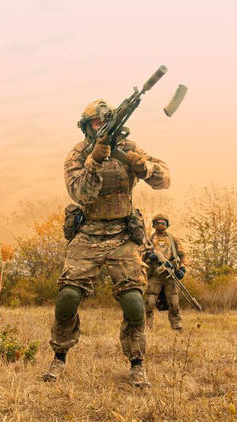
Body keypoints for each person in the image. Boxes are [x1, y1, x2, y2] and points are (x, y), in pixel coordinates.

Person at [42, 99, 170, 388]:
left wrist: (144, 167)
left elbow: (164, 179)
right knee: (68, 296)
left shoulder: (130, 147)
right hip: (88, 233)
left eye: (104, 121)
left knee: (134, 301)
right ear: (86, 127)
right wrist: (95, 162)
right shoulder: (78, 153)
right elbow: (80, 194)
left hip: (122, 234)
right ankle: (59, 357)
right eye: (95, 122)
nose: (100, 126)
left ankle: (137, 364)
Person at [143, 213, 186, 330]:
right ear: (154, 225)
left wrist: (182, 269)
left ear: (167, 224)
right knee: (150, 302)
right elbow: (141, 256)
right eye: (157, 223)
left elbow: (182, 255)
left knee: (174, 302)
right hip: (155, 274)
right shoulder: (149, 240)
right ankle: (148, 326)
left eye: (163, 223)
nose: (160, 225)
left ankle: (176, 326)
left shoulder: (173, 239)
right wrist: (148, 256)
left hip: (170, 274)